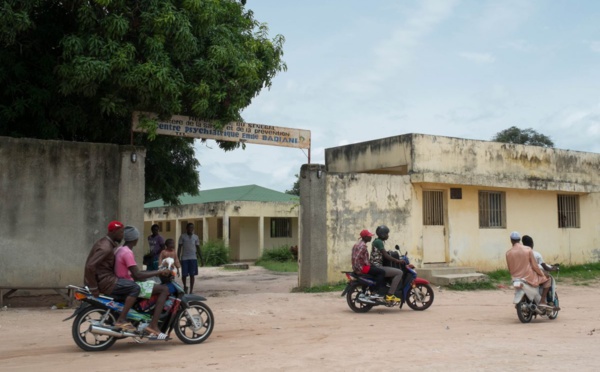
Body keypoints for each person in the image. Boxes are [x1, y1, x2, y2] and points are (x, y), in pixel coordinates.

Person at [114, 226, 171, 339]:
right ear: (135, 239)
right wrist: (158, 272)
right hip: (129, 284)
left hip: (124, 281)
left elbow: (135, 271)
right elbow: (137, 274)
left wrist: (152, 272)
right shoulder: (127, 253)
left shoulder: (120, 249)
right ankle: (153, 325)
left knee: (152, 283)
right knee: (164, 289)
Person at [84, 221, 141, 331]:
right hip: (106, 281)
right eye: (121, 233)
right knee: (135, 287)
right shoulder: (106, 247)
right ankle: (121, 319)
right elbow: (90, 266)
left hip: (105, 279)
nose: (122, 236)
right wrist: (93, 287)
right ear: (114, 232)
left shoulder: (106, 243)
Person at [505, 231, 552, 308]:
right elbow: (535, 266)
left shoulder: (508, 253)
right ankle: (543, 300)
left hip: (515, 278)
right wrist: (541, 274)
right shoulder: (528, 249)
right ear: (519, 239)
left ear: (511, 240)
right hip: (529, 277)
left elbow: (510, 268)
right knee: (547, 278)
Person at [370, 225, 405, 302]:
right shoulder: (379, 242)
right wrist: (398, 261)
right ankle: (390, 294)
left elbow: (383, 253)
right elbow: (386, 255)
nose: (387, 235)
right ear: (382, 234)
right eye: (386, 233)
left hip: (375, 266)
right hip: (377, 266)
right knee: (399, 272)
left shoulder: (377, 241)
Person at [351, 229, 386, 299]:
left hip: (362, 266)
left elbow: (356, 258)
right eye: (369, 236)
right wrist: (358, 270)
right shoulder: (362, 246)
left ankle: (370, 289)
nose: (370, 237)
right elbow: (356, 259)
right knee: (381, 272)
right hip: (362, 268)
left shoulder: (357, 244)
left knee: (376, 270)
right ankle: (376, 292)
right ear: (365, 237)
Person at [178, 222, 204, 294]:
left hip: (193, 258)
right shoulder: (182, 236)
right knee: (184, 275)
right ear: (186, 228)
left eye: (192, 228)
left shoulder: (196, 237)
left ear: (193, 229)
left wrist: (202, 259)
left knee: (192, 275)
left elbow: (198, 248)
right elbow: (179, 248)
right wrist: (178, 257)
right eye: (189, 227)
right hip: (184, 258)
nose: (190, 229)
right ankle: (185, 286)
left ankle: (191, 290)